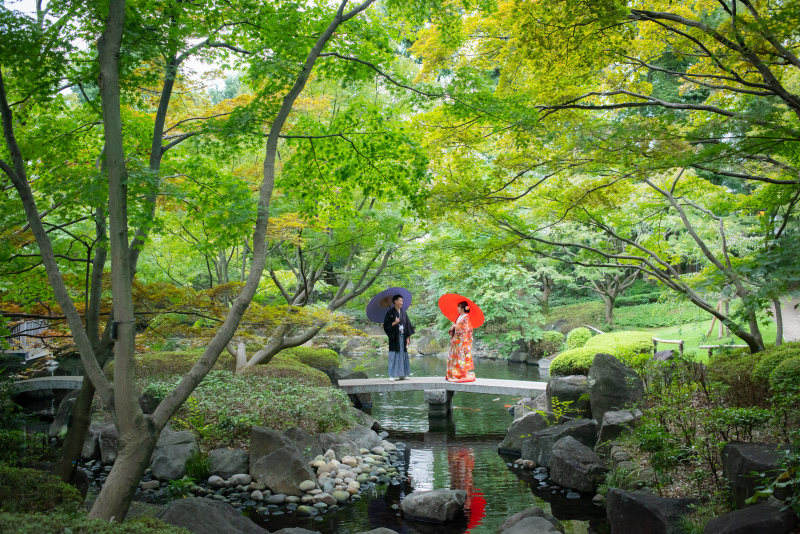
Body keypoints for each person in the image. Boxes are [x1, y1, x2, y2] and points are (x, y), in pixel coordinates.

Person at [383, 294, 414, 381]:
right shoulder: (390, 313)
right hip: (394, 338)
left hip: (403, 337)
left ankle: (402, 374)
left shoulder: (403, 312)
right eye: (400, 301)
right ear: (395, 301)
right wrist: (394, 323)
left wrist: (408, 337)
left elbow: (408, 325)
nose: (402, 302)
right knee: (394, 355)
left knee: (403, 355)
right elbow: (386, 326)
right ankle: (392, 375)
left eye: (402, 301)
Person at [446, 300, 476, 382]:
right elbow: (456, 328)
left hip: (462, 341)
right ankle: (453, 373)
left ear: (462, 308)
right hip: (456, 340)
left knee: (461, 356)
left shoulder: (466, 317)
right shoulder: (458, 317)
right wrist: (453, 327)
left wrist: (456, 326)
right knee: (454, 356)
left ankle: (461, 374)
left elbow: (465, 329)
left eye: (459, 307)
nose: (457, 308)